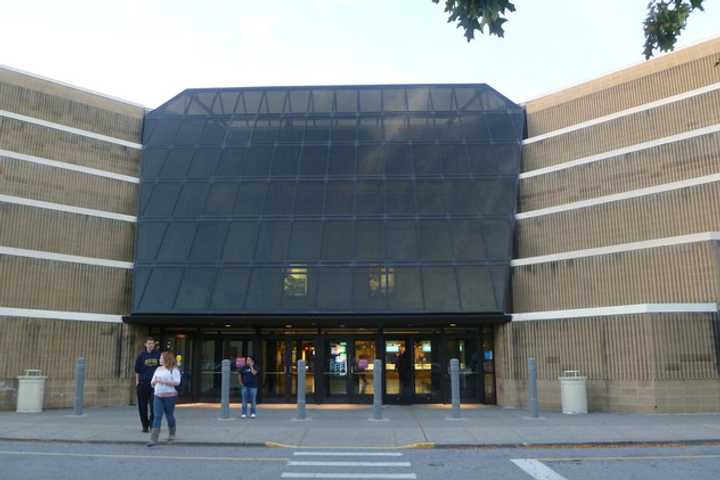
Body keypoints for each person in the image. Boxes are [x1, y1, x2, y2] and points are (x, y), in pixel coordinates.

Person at [147, 351, 181, 446]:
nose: (160, 359)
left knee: (169, 415)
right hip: (157, 396)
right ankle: (153, 439)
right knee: (157, 416)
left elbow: (177, 382)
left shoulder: (173, 369)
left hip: (170, 396)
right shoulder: (158, 369)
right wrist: (154, 382)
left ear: (167, 358)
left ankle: (172, 434)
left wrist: (162, 381)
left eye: (161, 358)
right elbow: (153, 381)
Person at [134, 337, 160, 433]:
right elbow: (137, 370)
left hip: (155, 385)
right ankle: (145, 425)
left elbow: (162, 368)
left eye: (152, 343)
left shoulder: (158, 354)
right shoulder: (141, 356)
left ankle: (152, 425)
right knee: (142, 407)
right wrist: (137, 383)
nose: (150, 345)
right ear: (145, 344)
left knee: (154, 406)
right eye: (149, 343)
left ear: (154, 344)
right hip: (143, 384)